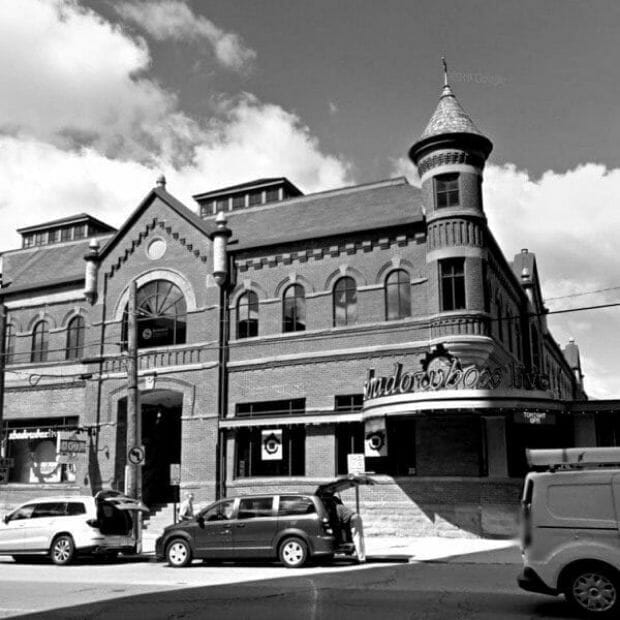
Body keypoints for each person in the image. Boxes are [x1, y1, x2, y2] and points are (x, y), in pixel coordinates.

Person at [334, 497, 366, 563]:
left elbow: (339, 520)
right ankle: (360, 556)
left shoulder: (337, 507)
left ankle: (361, 558)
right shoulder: (341, 506)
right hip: (355, 518)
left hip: (353, 519)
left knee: (357, 538)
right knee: (358, 538)